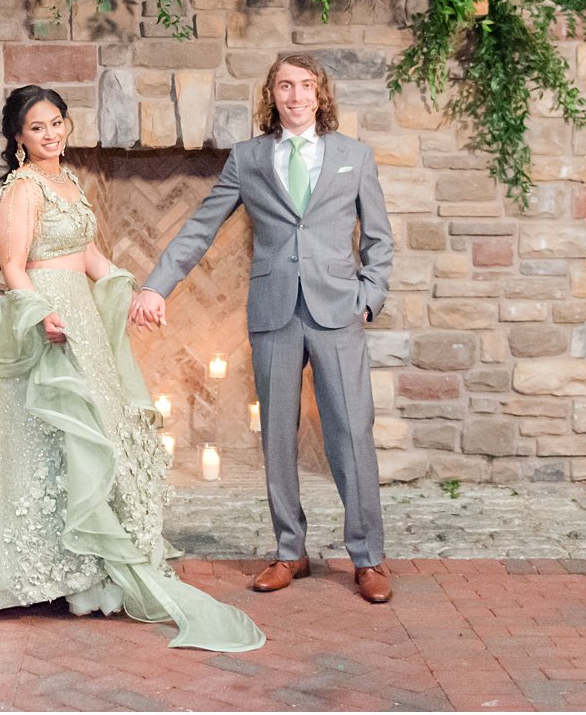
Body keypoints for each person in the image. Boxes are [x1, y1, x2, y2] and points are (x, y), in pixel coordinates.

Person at [0, 85, 264, 652]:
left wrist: (133, 288)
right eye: (37, 127)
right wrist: (41, 313)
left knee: (97, 432)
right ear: (18, 137)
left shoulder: (71, 181)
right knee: (49, 433)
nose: (51, 134)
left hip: (83, 317)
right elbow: (14, 266)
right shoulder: (21, 187)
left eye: (57, 122)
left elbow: (86, 255)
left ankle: (90, 570)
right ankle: (38, 570)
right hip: (50, 315)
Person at [130, 53, 395, 603]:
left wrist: (369, 297)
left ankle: (367, 559)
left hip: (338, 311)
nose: (295, 96)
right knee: (277, 435)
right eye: (284, 86)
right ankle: (289, 551)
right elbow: (202, 226)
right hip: (274, 312)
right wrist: (155, 285)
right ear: (271, 96)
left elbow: (378, 238)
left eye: (305, 86)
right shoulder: (249, 158)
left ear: (320, 94)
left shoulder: (354, 156)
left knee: (351, 433)